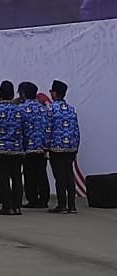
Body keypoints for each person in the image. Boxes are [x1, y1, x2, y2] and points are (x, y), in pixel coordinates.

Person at [0, 80, 24, 215]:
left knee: (2, 177)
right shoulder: (20, 110)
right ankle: (17, 206)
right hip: (17, 149)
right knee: (16, 176)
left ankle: (7, 206)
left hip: (0, 149)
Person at [47, 80, 80, 214]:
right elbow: (76, 130)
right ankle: (72, 205)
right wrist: (76, 147)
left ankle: (62, 205)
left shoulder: (50, 109)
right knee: (69, 175)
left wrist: (45, 147)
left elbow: (47, 129)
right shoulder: (72, 110)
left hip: (56, 147)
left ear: (55, 93)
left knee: (59, 176)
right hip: (71, 147)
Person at [17, 81, 50, 209]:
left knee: (29, 174)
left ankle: (32, 199)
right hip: (42, 147)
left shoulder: (21, 109)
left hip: (28, 147)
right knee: (42, 173)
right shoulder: (43, 108)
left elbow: (19, 129)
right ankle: (44, 199)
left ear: (23, 94)